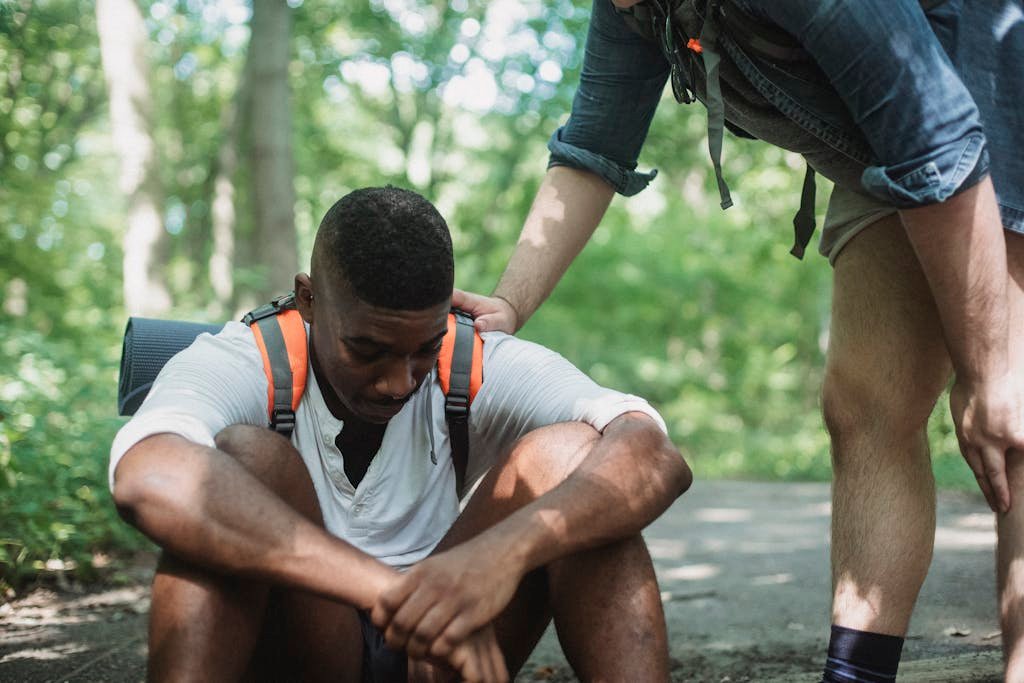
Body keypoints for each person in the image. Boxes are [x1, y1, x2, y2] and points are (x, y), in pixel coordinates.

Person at [451, 1, 1024, 680]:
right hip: (891, 141)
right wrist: (510, 303)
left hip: (987, 93)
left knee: (1010, 416)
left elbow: (940, 137)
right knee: (862, 403)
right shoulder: (633, 7)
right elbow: (594, 147)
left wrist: (990, 370)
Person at [108, 186, 691, 682]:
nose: (396, 382)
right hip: (308, 644)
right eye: (368, 350)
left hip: (450, 648)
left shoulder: (476, 359)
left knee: (576, 460)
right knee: (245, 458)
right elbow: (149, 475)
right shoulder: (243, 359)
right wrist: (386, 592)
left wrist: (499, 556)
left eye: (423, 349)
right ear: (309, 300)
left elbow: (653, 455)